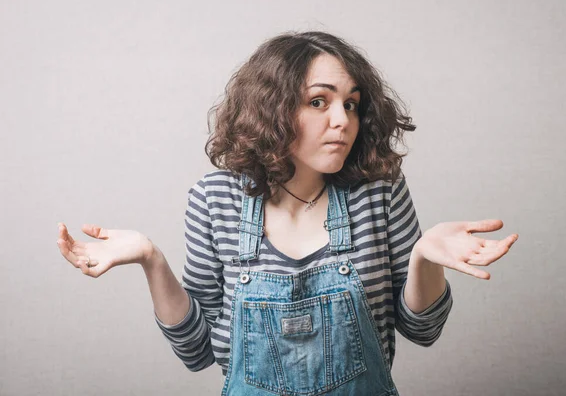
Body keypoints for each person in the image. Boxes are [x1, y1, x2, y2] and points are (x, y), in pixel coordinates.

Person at [56, 31, 518, 395]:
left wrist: (425, 258)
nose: (342, 120)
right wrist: (150, 259)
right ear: (272, 110)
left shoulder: (379, 193)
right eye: (319, 101)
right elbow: (196, 352)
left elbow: (424, 329)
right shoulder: (214, 199)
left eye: (351, 104)